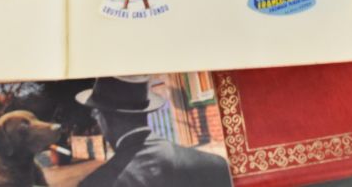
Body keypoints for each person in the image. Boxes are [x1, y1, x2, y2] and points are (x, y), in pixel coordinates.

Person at [75, 76, 233, 187]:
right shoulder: (215, 165)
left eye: (96, 114)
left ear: (104, 117)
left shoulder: (96, 183)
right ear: (145, 111)